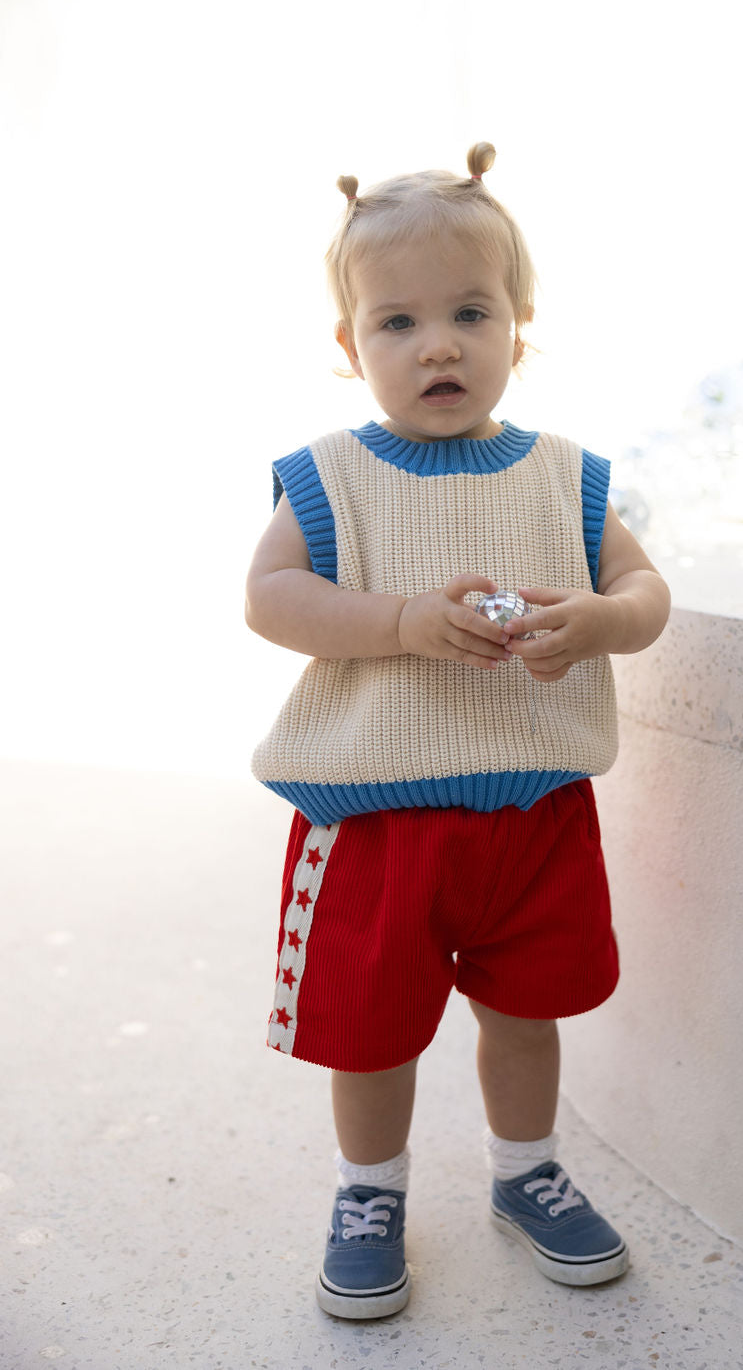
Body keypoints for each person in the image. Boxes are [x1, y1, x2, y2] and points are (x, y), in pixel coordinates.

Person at [245, 142, 671, 1320]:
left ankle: (524, 1170)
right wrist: (392, 619)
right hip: (378, 818)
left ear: (518, 327)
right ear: (351, 346)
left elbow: (645, 594)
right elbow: (270, 596)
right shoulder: (331, 477)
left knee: (522, 1011)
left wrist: (597, 618)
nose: (437, 344)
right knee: (370, 1032)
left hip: (530, 814)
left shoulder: (564, 475)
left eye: (469, 312)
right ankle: (368, 1189)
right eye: (397, 322)